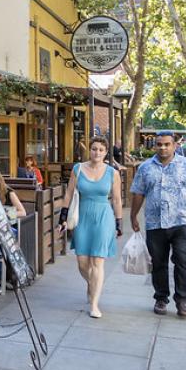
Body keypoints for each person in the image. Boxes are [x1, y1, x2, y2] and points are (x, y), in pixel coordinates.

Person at [130, 130, 186, 319]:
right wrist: (133, 216)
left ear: (175, 145)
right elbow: (138, 193)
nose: (163, 147)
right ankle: (161, 298)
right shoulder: (145, 168)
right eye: (159, 144)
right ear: (155, 146)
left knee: (182, 261)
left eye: (167, 144)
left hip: (182, 222)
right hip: (155, 223)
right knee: (158, 263)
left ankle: (182, 300)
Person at [57, 136, 123, 319]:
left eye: (101, 150)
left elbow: (117, 199)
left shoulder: (112, 173)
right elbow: (69, 194)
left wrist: (119, 222)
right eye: (94, 149)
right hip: (83, 216)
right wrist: (62, 217)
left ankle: (94, 303)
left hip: (103, 216)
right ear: (90, 150)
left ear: (106, 153)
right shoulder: (78, 169)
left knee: (97, 261)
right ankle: (93, 283)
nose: (97, 153)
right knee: (82, 261)